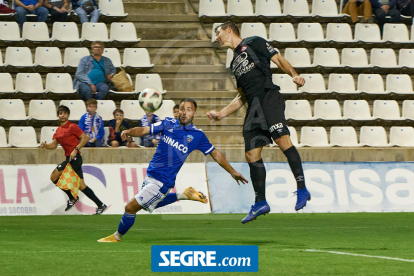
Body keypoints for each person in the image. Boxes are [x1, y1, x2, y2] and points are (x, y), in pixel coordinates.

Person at [98, 98, 248, 242]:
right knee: (153, 204)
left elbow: (215, 153)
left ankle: (117, 236)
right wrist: (129, 131)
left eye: (189, 110)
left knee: (130, 207)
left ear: (194, 114)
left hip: (162, 182)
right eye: (182, 108)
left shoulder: (197, 136)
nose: (184, 112)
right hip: (151, 174)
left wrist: (232, 171)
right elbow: (144, 130)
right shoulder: (167, 123)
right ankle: (184, 194)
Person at [207, 22, 311, 224]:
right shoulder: (234, 63)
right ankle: (260, 202)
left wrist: (294, 75)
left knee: (282, 140)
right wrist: (221, 114)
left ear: (229, 29)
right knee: (250, 153)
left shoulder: (254, 42)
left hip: (268, 97)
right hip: (253, 108)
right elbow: (241, 97)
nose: (216, 38)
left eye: (218, 33)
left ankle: (302, 188)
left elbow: (278, 59)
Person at [40, 105, 108, 214]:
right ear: (58, 115)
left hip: (75, 158)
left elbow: (85, 138)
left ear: (68, 115)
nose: (63, 115)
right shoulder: (58, 130)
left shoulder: (72, 126)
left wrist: (76, 149)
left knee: (54, 176)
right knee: (82, 186)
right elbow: (53, 145)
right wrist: (46, 146)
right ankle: (101, 205)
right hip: (69, 158)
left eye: (65, 113)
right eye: (61, 113)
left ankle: (72, 198)